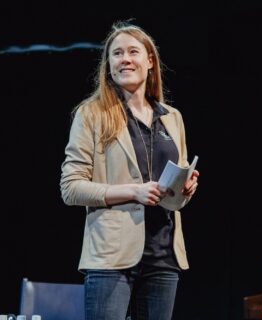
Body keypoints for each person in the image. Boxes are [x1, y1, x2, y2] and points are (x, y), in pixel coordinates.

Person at [60, 22, 199, 320]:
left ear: (150, 61)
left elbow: (173, 198)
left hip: (164, 258)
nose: (125, 59)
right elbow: (71, 188)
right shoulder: (92, 114)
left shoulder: (172, 118)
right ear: (108, 65)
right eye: (117, 53)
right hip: (111, 258)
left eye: (133, 52)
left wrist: (184, 189)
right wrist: (133, 192)